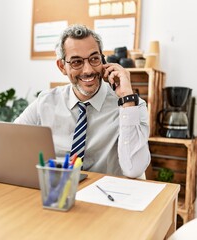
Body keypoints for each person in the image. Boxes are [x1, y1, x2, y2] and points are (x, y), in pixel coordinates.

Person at [15, 24, 150, 178]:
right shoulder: (45, 102)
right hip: (58, 191)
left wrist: (127, 97)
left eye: (94, 59)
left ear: (103, 60)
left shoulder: (132, 105)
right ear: (62, 67)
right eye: (76, 62)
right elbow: (10, 141)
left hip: (106, 196)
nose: (88, 70)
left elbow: (134, 170)